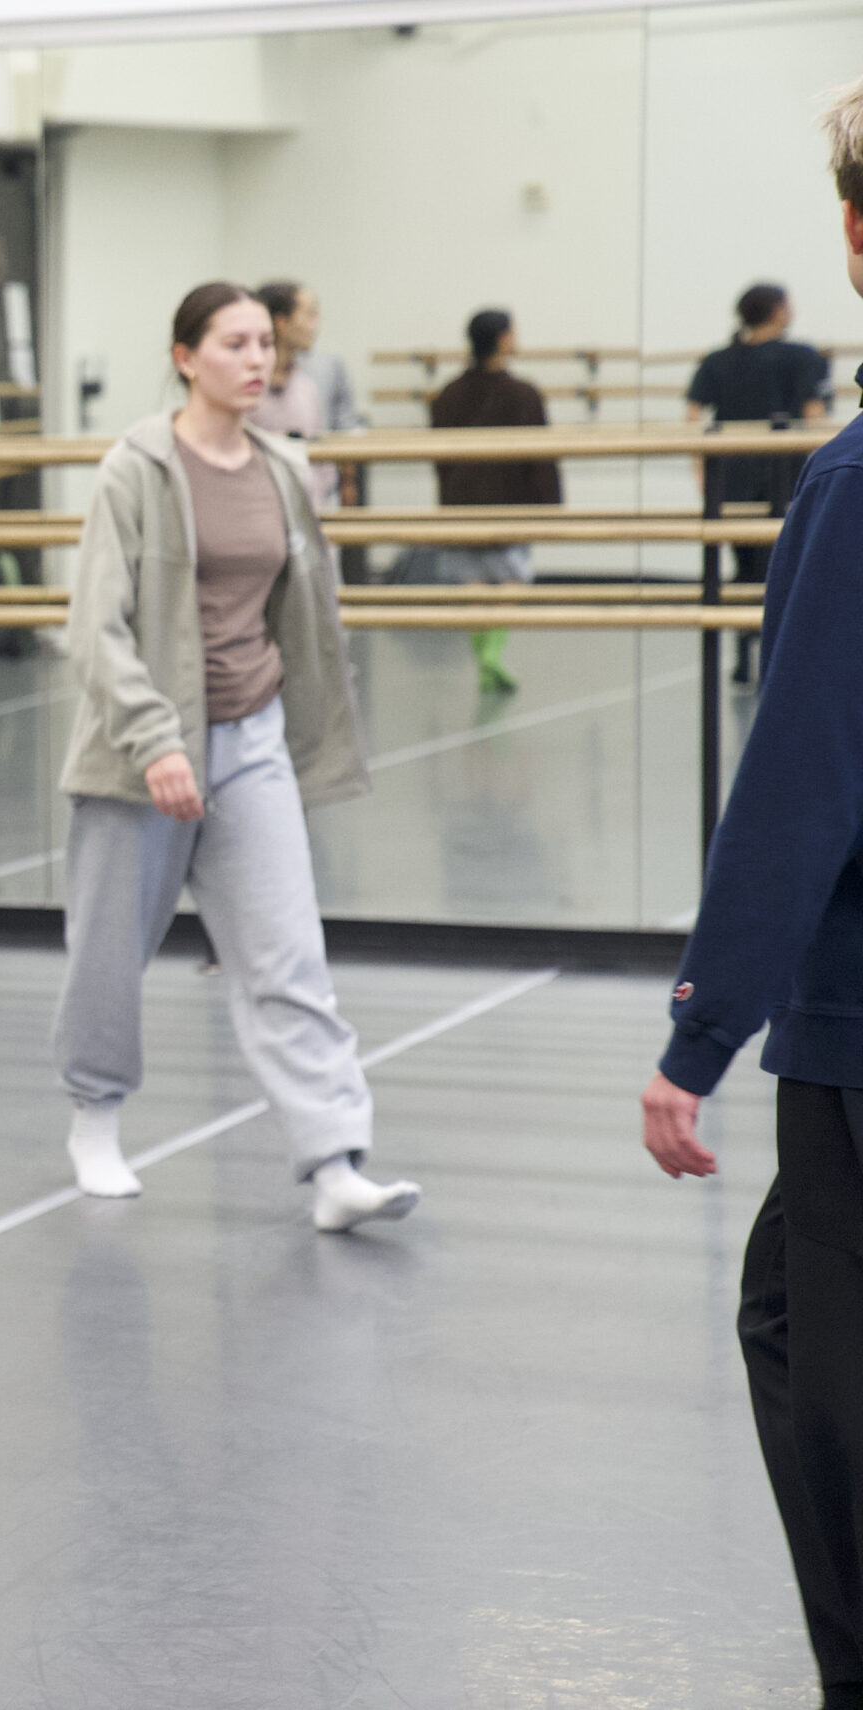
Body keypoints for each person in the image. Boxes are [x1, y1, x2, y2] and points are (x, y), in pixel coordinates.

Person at [641, 74, 863, 1710]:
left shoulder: (854, 488)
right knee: (785, 1310)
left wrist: (701, 1031)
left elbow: (802, 774)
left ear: (853, 240)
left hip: (855, 1044)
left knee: (829, 1381)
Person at [54, 281, 418, 1234]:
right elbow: (95, 630)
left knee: (287, 954)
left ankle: (335, 1161)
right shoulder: (134, 468)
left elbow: (301, 615)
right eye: (235, 343)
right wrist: (155, 740)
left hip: (250, 741)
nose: (258, 359)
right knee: (107, 954)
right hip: (142, 750)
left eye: (266, 343)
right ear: (186, 357)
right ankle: (95, 1118)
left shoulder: (284, 468)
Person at [687, 282, 833, 683]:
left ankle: (742, 653)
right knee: (788, 567)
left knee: (746, 567)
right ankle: (777, 657)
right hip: (786, 477)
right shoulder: (801, 356)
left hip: (732, 479)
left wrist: (700, 471)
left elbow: (693, 415)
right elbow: (814, 413)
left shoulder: (720, 360)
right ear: (778, 311)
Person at [416, 308, 563, 694]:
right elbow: (542, 454)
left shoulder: (447, 394)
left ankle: (485, 658)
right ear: (502, 339)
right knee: (513, 578)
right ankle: (491, 655)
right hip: (510, 504)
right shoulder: (524, 394)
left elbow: (440, 459)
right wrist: (550, 505)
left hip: (462, 504)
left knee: (473, 583)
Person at [250, 279, 339, 515]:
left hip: (312, 509)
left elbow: (321, 457)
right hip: (259, 509)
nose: (315, 326)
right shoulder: (245, 390)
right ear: (282, 322)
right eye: (309, 315)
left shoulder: (307, 385)